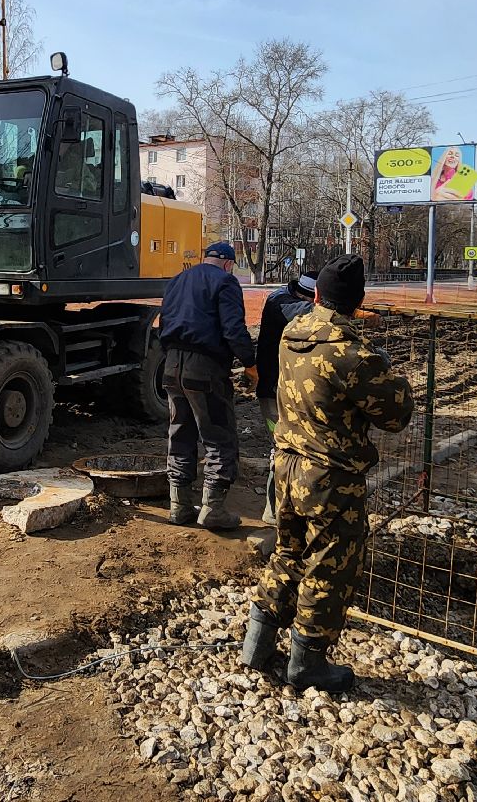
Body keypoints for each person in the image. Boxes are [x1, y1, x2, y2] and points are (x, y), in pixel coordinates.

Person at [240, 254, 413, 692]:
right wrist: (386, 370)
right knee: (329, 569)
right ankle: (307, 665)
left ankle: (255, 646)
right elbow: (396, 416)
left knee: (287, 552)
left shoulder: (292, 333)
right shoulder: (353, 354)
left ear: (315, 294)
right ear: (357, 303)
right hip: (330, 479)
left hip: (286, 465)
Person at [158, 240, 257, 530]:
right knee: (218, 436)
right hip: (205, 368)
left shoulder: (178, 279)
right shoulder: (226, 282)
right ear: (228, 263)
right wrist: (250, 364)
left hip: (171, 366)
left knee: (180, 433)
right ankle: (213, 509)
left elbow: (164, 323)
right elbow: (234, 329)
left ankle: (179, 507)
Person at [254, 269, 320, 524]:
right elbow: (304, 312)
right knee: (282, 447)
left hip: (287, 391)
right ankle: (275, 512)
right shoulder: (280, 301)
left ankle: (283, 509)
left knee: (288, 449)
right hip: (273, 393)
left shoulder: (287, 298)